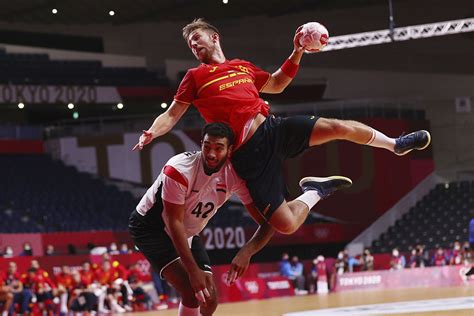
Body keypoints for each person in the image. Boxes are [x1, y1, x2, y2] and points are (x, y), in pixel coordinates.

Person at [134, 18, 431, 236]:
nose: (194, 45)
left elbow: (276, 83)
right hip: (249, 156)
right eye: (190, 44)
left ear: (215, 37)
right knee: (286, 225)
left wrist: (297, 51)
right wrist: (152, 132)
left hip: (274, 129)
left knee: (338, 126)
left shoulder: (242, 67)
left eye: (198, 38)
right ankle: (314, 191)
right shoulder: (195, 77)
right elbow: (172, 115)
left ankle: (395, 144)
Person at [129, 123, 277, 316]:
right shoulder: (179, 168)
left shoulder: (235, 175)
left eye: (219, 148)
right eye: (207, 146)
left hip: (186, 231)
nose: (211, 154)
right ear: (201, 144)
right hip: (151, 229)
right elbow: (174, 222)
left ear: (229, 149)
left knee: (210, 298)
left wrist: (247, 252)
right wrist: (193, 271)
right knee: (193, 292)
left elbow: (269, 223)